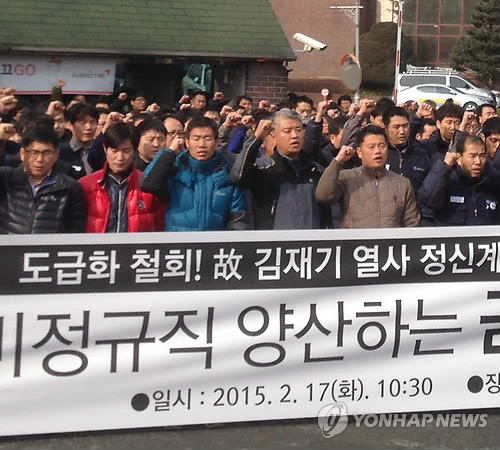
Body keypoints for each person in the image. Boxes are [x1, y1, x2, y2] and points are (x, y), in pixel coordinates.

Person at [140, 116, 248, 231]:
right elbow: (147, 183)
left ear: (216, 142)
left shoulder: (228, 173)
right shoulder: (174, 170)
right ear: (187, 142)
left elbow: (238, 220)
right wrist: (169, 152)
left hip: (215, 241)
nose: (202, 144)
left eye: (207, 139)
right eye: (196, 139)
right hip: (179, 240)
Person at [231, 109, 333, 230]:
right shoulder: (263, 168)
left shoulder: (316, 170)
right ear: (273, 136)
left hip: (311, 240)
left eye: (298, 130)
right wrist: (257, 138)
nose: (294, 135)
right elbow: (238, 176)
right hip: (274, 239)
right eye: (287, 131)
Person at [315, 125, 420, 228]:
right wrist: (337, 161)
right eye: (371, 147)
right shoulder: (346, 178)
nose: (377, 151)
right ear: (359, 152)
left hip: (391, 240)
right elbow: (323, 196)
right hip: (356, 239)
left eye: (382, 146)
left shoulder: (402, 183)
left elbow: (411, 222)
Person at [79, 122, 164, 233]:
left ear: (135, 150)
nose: (120, 158)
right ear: (105, 149)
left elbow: (159, 225)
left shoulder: (148, 186)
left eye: (126, 151)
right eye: (114, 151)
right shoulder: (86, 185)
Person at [0, 125, 86, 233]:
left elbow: (76, 232)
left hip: (51, 244)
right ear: (22, 154)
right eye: (34, 152)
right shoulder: (6, 179)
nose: (40, 159)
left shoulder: (70, 188)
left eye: (47, 153)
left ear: (56, 155)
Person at [418, 134, 500, 226]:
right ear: (459, 158)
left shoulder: (493, 183)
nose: (478, 161)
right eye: (472, 156)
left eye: (482, 156)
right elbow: (425, 200)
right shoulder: (448, 181)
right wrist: (444, 166)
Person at [58, 103, 99, 179]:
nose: (88, 127)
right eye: (83, 123)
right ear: (71, 125)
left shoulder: (100, 150)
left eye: (92, 122)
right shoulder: (60, 152)